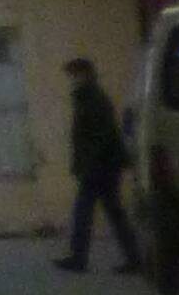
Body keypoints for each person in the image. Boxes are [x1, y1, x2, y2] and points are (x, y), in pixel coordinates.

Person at [55, 54, 140, 274]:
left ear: (85, 74)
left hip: (100, 165)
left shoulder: (92, 98)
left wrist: (87, 166)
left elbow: (98, 137)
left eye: (74, 75)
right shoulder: (89, 96)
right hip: (104, 164)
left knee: (85, 212)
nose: (71, 79)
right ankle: (134, 258)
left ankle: (79, 258)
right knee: (113, 213)